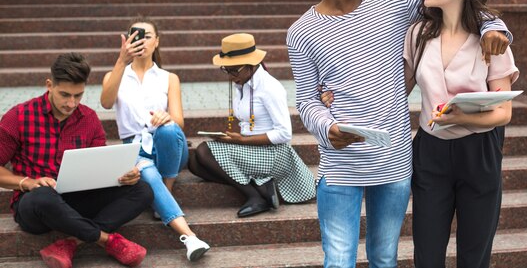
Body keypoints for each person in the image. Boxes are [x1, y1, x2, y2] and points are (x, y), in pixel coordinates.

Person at [286, 0, 512, 268]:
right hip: (341, 164)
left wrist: (495, 28)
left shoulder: (394, 2)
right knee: (339, 261)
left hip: (394, 163)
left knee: (385, 259)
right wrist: (325, 126)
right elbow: (307, 99)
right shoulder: (301, 32)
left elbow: (458, 3)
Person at [405, 0, 519, 268]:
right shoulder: (418, 34)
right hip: (430, 153)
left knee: (474, 256)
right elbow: (397, 90)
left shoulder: (492, 41)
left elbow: (504, 112)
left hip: (479, 151)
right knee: (427, 255)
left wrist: (464, 115)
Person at [0, 52, 153, 268]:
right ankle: (107, 241)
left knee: (143, 190)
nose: (72, 103)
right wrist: (27, 182)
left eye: (78, 96)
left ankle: (71, 243)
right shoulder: (19, 116)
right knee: (42, 195)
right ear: (49, 85)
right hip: (36, 206)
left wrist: (124, 175)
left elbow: (100, 165)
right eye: (65, 95)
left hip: (77, 200)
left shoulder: (89, 119)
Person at [100, 17, 210, 262]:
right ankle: (190, 238)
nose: (142, 40)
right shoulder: (115, 75)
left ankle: (167, 188)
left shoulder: (168, 77)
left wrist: (166, 116)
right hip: (134, 147)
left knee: (169, 129)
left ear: (157, 41)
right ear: (127, 40)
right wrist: (121, 60)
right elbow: (106, 102)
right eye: (136, 35)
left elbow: (179, 121)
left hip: (168, 146)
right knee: (147, 174)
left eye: (147, 35)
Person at [188, 33, 315, 218]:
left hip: (274, 153)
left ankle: (256, 196)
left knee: (204, 151)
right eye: (226, 70)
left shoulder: (270, 88)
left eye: (234, 71)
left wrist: (241, 140)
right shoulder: (243, 82)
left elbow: (284, 134)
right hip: (252, 150)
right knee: (194, 165)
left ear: (251, 64)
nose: (231, 77)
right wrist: (234, 139)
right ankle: (260, 185)